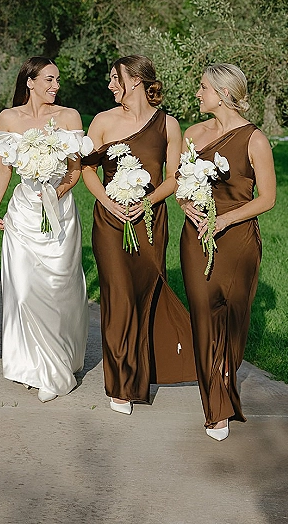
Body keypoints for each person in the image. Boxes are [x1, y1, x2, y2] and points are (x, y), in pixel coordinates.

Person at [82, 55, 196, 415]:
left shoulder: (169, 125)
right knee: (118, 296)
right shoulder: (101, 122)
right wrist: (108, 203)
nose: (110, 85)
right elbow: (86, 170)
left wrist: (147, 201)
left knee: (144, 293)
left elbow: (174, 177)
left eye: (115, 79)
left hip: (150, 221)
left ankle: (149, 368)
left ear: (134, 80)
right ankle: (121, 383)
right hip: (111, 221)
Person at [179, 64, 276, 441]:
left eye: (203, 88)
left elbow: (267, 198)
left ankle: (225, 380)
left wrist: (225, 219)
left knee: (233, 323)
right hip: (195, 237)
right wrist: (185, 202)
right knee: (204, 319)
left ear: (222, 93)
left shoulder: (255, 139)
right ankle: (215, 409)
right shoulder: (193, 134)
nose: (198, 93)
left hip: (237, 242)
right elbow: (182, 183)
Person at [0, 57, 90, 403]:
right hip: (23, 213)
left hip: (59, 212)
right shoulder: (9, 118)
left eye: (58, 80)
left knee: (59, 287)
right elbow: (4, 168)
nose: (55, 86)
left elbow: (76, 169)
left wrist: (59, 191)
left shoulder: (69, 117)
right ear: (30, 81)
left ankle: (59, 362)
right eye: (49, 79)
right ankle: (34, 364)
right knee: (25, 290)